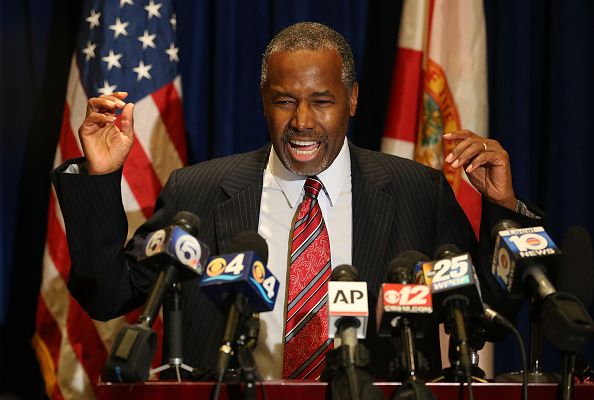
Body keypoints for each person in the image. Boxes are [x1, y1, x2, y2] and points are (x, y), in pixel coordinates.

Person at [52, 22, 540, 380]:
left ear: (352, 100)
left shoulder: (417, 191)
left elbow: (484, 320)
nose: (303, 121)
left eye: (322, 101)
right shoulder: (197, 191)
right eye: (285, 100)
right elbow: (109, 294)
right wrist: (101, 173)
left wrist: (504, 210)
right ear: (264, 100)